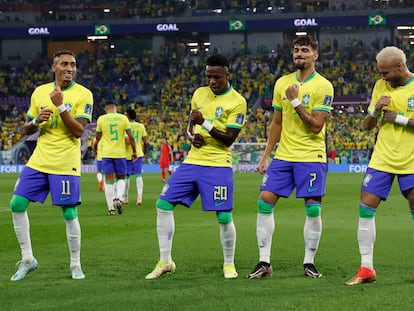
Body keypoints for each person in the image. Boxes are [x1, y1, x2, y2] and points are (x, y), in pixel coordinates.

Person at [145, 54, 247, 279]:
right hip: (193, 160)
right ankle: (165, 261)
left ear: (227, 74)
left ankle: (229, 264)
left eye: (216, 77)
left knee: (223, 216)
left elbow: (229, 138)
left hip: (218, 164)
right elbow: (190, 127)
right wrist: (192, 137)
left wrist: (206, 124)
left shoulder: (238, 101)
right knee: (163, 204)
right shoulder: (199, 94)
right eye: (208, 76)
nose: (212, 81)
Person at [247, 35, 334, 279]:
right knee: (264, 201)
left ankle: (309, 262)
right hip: (283, 156)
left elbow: (316, 126)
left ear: (315, 55)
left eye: (305, 50)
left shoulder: (323, 86)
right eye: (296, 50)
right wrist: (266, 156)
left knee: (313, 210)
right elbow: (277, 122)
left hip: (311, 155)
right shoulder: (281, 83)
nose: (299, 54)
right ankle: (264, 261)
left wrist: (295, 100)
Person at [9, 49, 93, 281]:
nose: (70, 68)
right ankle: (28, 259)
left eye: (73, 64)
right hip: (39, 160)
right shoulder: (40, 92)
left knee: (69, 212)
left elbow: (79, 131)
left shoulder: (83, 94)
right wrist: (36, 120)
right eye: (64, 64)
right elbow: (26, 129)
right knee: (16, 204)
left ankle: (75, 264)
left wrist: (61, 107)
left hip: (65, 162)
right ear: (54, 67)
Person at [346, 46, 414, 285]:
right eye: (380, 73)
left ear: (399, 67)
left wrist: (400, 119)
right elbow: (367, 125)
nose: (382, 77)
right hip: (382, 158)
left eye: (385, 73)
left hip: (412, 160)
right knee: (365, 208)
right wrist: (375, 109)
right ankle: (366, 269)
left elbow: (400, 120)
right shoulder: (379, 86)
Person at [93, 101, 137, 216]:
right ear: (115, 109)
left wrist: (94, 149)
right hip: (120, 154)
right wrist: (135, 151)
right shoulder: (123, 119)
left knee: (108, 180)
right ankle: (118, 197)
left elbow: (96, 139)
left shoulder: (101, 119)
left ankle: (110, 209)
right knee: (121, 178)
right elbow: (131, 138)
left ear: (105, 109)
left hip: (107, 154)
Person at [123, 109, 148, 205]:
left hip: (127, 154)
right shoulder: (141, 126)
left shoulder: (126, 126)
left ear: (128, 115)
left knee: (127, 176)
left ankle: (125, 198)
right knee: (138, 175)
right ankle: (139, 199)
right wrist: (143, 152)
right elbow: (145, 142)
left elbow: (127, 141)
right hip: (139, 154)